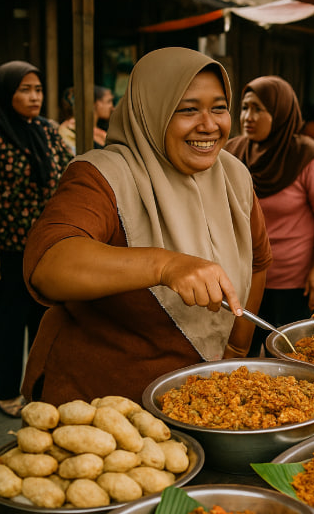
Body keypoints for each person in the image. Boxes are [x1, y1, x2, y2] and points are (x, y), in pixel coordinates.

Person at [21, 47, 273, 405]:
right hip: (103, 403)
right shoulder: (102, 174)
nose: (209, 124)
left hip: (203, 395)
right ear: (149, 110)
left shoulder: (233, 175)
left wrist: (236, 346)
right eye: (187, 109)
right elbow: (49, 263)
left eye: (219, 108)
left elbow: (259, 262)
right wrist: (165, 265)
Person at [0, 61, 72, 418]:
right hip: (7, 250)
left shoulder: (46, 130)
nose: (34, 97)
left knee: (44, 322)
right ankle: (3, 392)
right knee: (7, 324)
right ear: (4, 93)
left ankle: (39, 388)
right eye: (24, 90)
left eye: (38, 90)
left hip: (46, 248)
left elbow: (68, 172)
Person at [225, 76, 314, 355]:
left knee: (295, 354)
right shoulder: (232, 152)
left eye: (258, 109)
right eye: (244, 108)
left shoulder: (306, 156)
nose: (247, 117)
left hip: (295, 281)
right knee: (242, 354)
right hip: (245, 278)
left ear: (280, 113)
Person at [58, 85, 115, 154]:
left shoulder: (101, 129)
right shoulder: (71, 128)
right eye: (109, 101)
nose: (112, 107)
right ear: (95, 103)